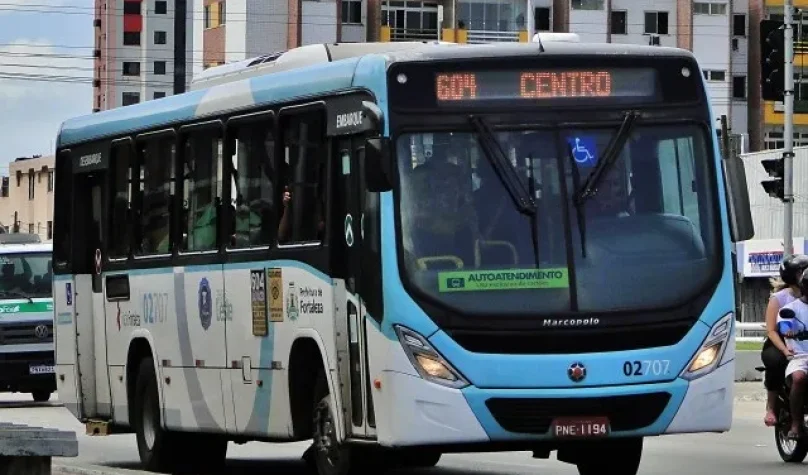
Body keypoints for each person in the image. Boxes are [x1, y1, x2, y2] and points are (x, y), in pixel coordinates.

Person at [762, 254, 808, 427]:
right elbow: (772, 330)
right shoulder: (779, 298)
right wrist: (784, 349)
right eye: (802, 271)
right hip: (780, 340)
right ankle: (771, 407)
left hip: (804, 342)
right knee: (776, 362)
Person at [776, 267, 808, 438]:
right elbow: (784, 324)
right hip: (800, 356)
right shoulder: (791, 308)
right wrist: (789, 331)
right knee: (799, 377)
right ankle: (796, 423)